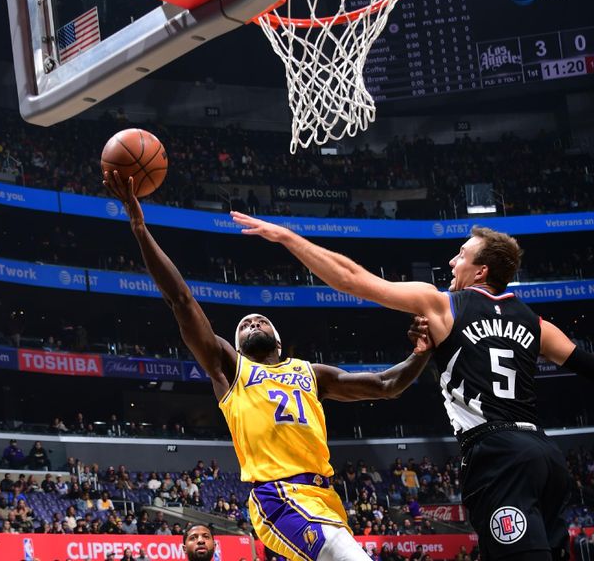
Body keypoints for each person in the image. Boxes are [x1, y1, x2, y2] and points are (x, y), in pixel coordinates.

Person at [230, 214, 594, 561]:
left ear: (481, 270)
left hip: (497, 455)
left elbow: (349, 278)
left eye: (461, 255)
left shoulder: (443, 304)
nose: (453, 262)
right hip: (546, 458)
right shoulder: (536, 322)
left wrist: (288, 237)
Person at [104, 172, 433, 561]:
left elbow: (385, 385)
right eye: (245, 325)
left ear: (278, 341)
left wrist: (423, 350)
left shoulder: (311, 373)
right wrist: (140, 228)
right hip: (276, 495)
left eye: (261, 321)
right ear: (238, 345)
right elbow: (181, 300)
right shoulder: (231, 370)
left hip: (325, 498)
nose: (253, 323)